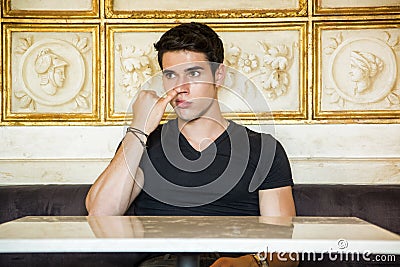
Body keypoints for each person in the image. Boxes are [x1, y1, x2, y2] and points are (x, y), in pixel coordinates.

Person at [86, 22, 298, 267]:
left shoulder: (263, 149)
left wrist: (248, 263)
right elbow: (100, 215)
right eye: (170, 75)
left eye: (193, 73)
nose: (180, 88)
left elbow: (286, 254)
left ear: (219, 76)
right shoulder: (143, 142)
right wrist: (139, 128)